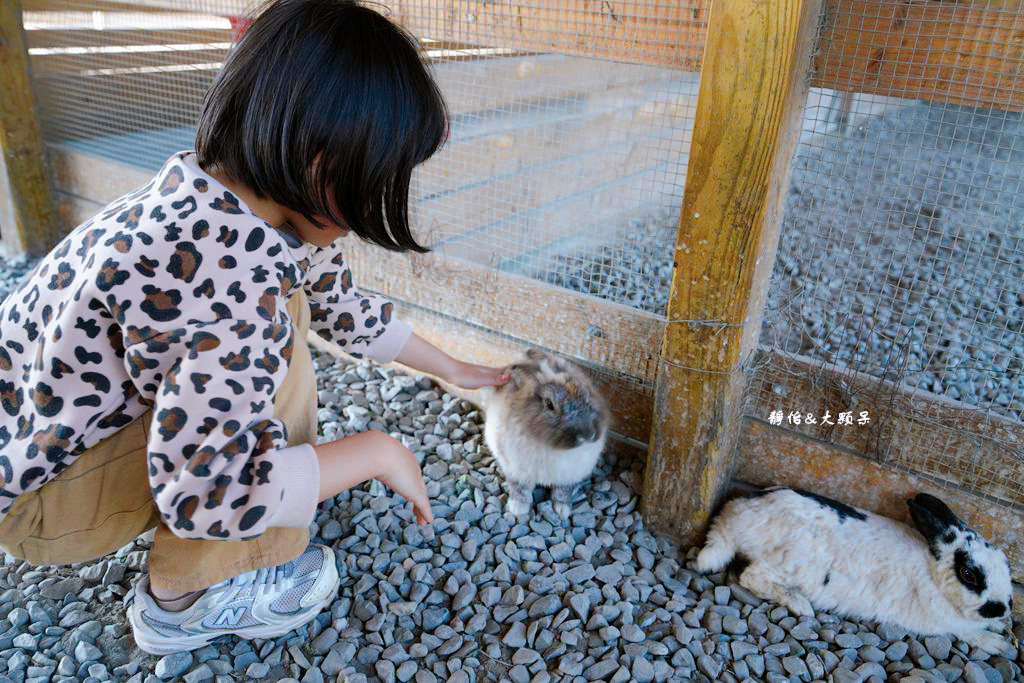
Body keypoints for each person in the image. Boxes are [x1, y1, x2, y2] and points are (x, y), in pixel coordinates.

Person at [0, 0, 508, 654]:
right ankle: (184, 601)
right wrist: (375, 451)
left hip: (32, 427)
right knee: (261, 379)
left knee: (284, 319)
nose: (377, 202)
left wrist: (458, 368)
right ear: (325, 166)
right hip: (38, 494)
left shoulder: (220, 197)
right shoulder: (222, 284)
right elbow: (211, 487)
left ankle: (249, 520)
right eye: (380, 177)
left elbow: (335, 299)